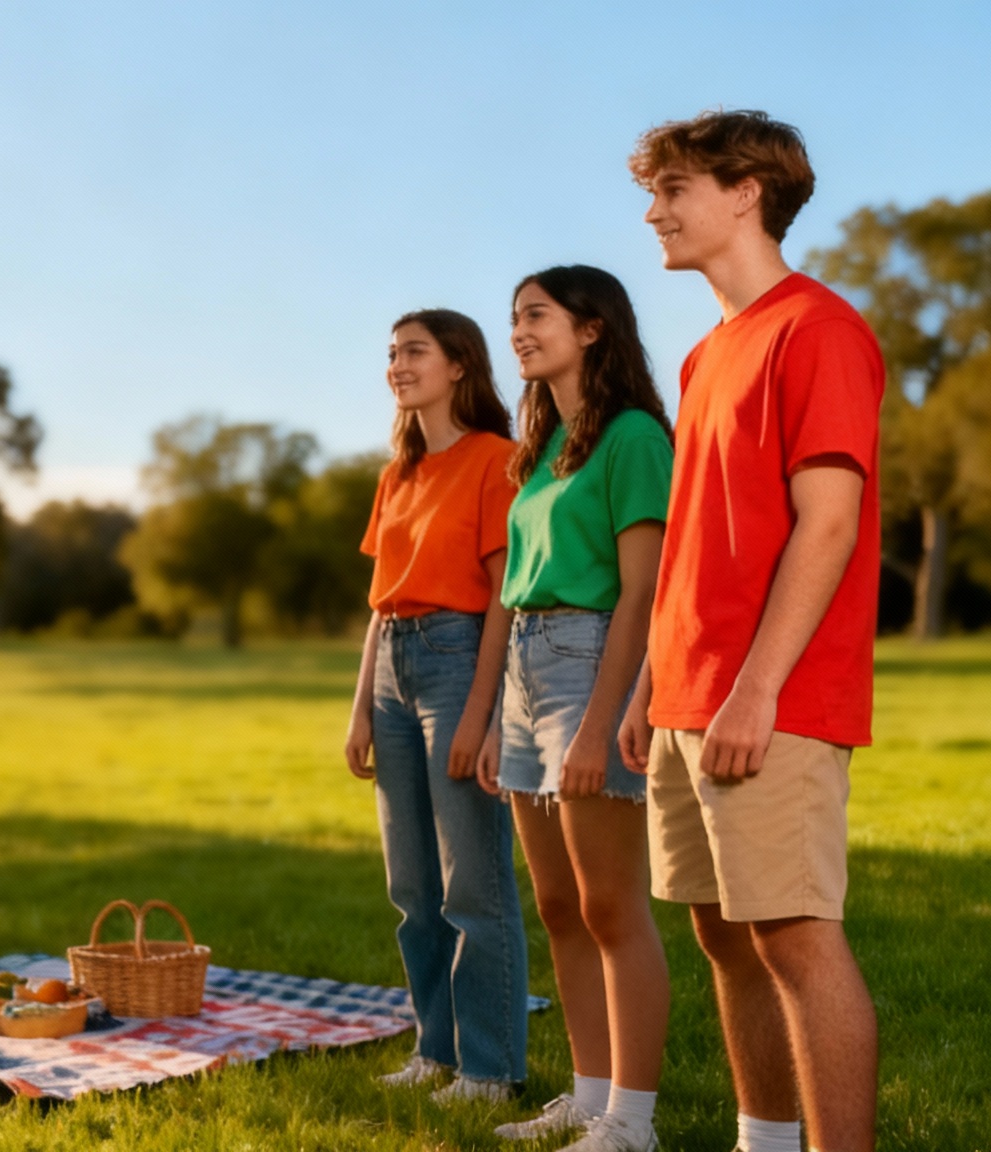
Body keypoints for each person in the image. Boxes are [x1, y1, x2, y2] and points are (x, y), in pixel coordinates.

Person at [618, 110, 883, 1152]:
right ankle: (761, 1141)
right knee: (723, 937)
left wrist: (754, 686)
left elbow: (827, 521)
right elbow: (695, 539)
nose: (652, 212)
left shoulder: (815, 330)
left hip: (764, 695)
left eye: (672, 189)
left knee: (794, 938)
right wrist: (651, 684)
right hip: (688, 690)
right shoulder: (703, 357)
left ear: (743, 192)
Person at [489, 266, 673, 1151]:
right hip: (528, 674)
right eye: (514, 317)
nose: (518, 331)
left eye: (536, 315)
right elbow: (515, 591)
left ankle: (631, 1122)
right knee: (558, 905)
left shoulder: (633, 438)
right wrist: (495, 717)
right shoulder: (545, 448)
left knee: (611, 908)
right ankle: (589, 1095)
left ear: (593, 329)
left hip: (591, 666)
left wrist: (602, 723)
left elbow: (643, 595)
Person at [344, 308, 528, 1102]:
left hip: (459, 662)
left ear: (459, 365)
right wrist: (360, 708)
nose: (397, 364)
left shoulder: (497, 459)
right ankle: (437, 1051)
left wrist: (484, 710)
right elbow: (380, 605)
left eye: (413, 351)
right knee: (413, 887)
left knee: (472, 884)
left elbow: (500, 598)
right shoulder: (398, 474)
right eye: (391, 354)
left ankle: (490, 1069)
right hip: (393, 665)